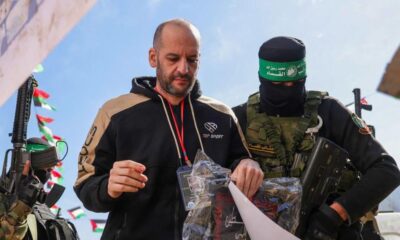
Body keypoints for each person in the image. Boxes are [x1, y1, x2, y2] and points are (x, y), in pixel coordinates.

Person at [74, 19, 264, 240]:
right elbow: (85, 183)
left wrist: (248, 163)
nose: (183, 69)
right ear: (153, 57)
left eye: (192, 60)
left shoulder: (222, 115)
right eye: (173, 58)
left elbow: (240, 163)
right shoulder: (115, 112)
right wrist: (108, 186)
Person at [232, 36, 400, 240]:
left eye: (296, 82)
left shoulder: (328, 112)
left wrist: (333, 215)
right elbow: (209, 182)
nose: (288, 88)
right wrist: (240, 162)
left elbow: (386, 170)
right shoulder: (238, 119)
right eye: (279, 83)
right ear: (262, 78)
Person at [0, 137, 78, 240]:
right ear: (25, 163)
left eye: (50, 169)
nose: (48, 174)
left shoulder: (46, 212)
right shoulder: (4, 200)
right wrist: (21, 206)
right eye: (46, 167)